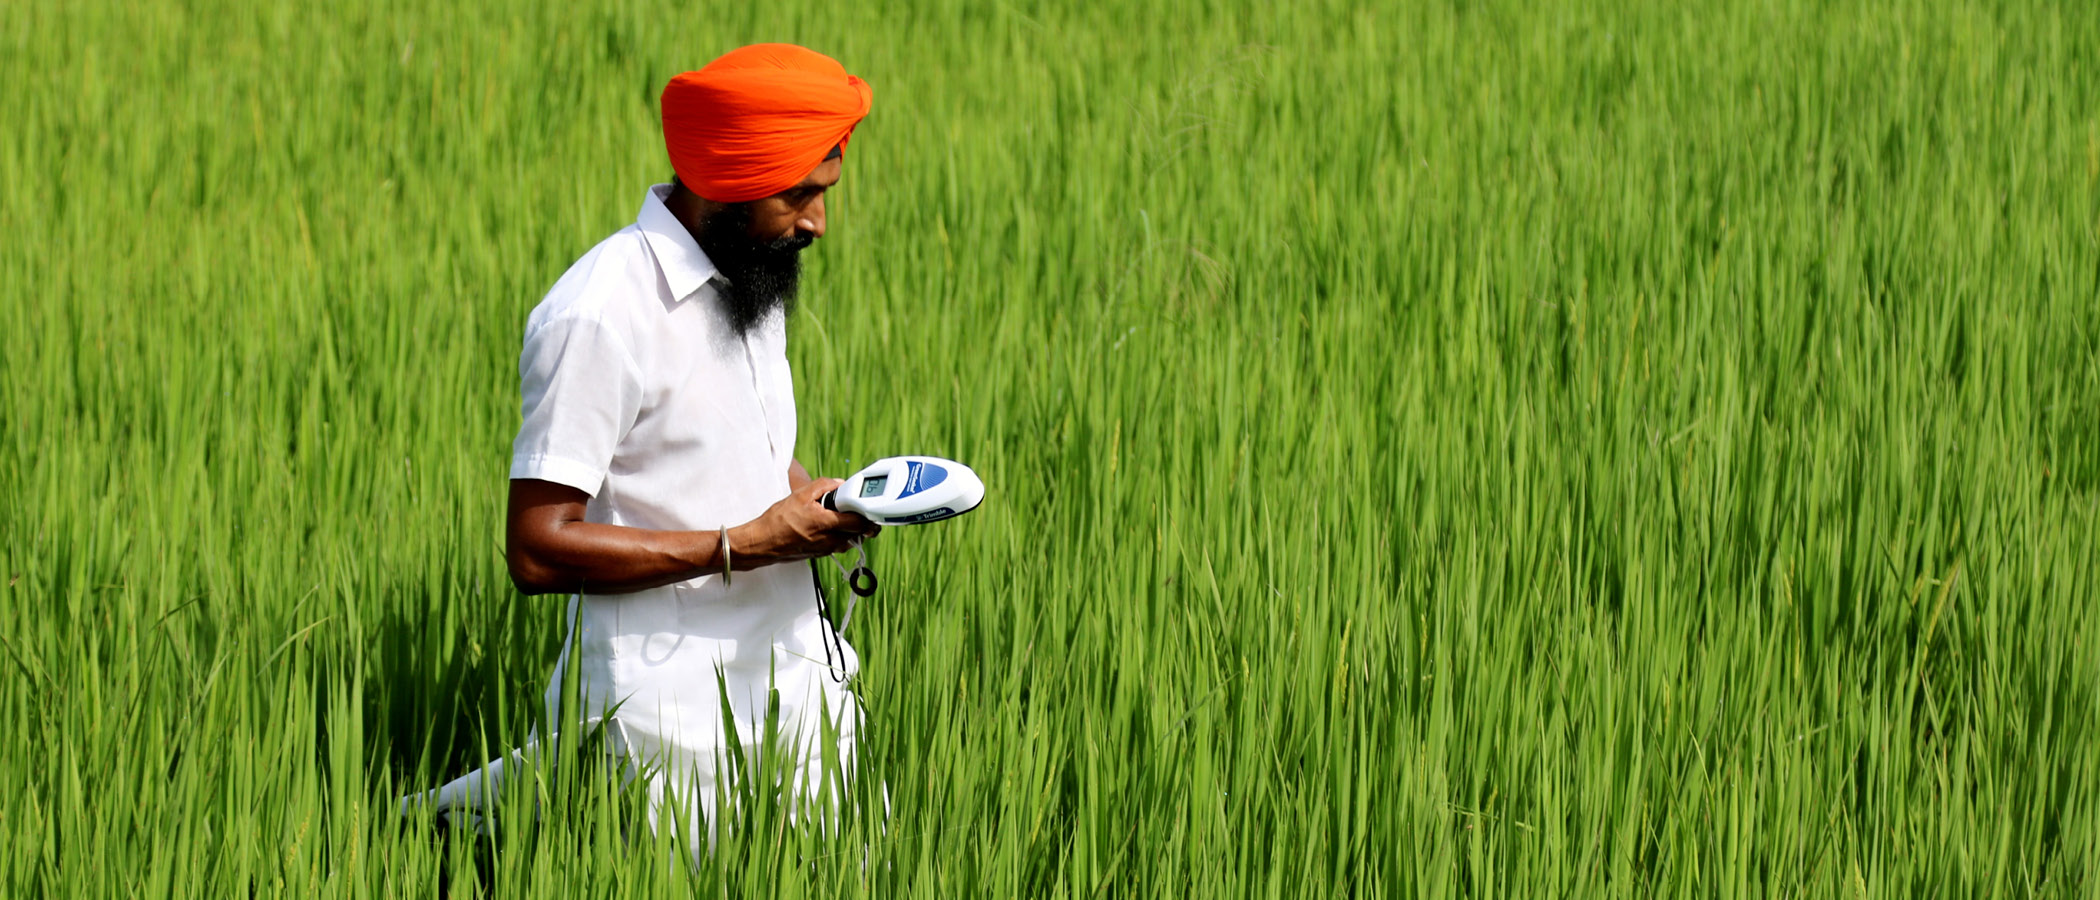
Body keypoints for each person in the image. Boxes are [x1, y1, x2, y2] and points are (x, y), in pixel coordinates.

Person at [403, 43, 881, 853]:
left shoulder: (750, 274)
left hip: (795, 675)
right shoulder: (599, 314)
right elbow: (536, 550)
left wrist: (820, 500)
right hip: (668, 716)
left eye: (825, 192)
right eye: (797, 195)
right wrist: (744, 544)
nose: (817, 222)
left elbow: (734, 442)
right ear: (723, 183)